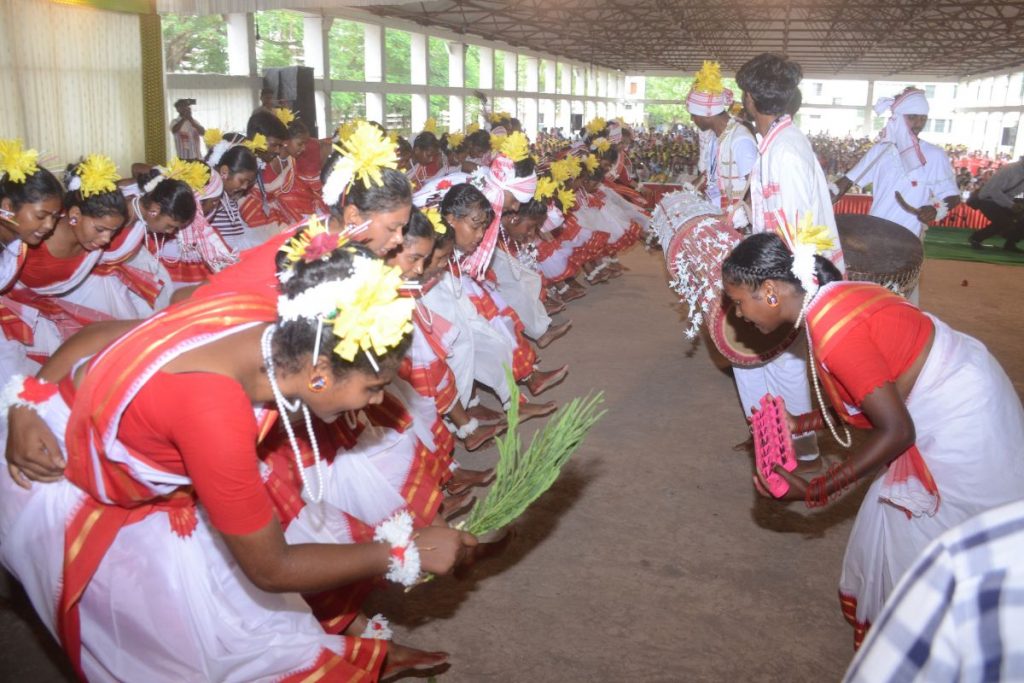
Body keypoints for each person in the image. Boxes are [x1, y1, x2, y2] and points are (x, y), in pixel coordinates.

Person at [1, 243, 477, 681]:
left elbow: (102, 334)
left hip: (131, 474)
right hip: (61, 490)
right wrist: (402, 551)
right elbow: (272, 568)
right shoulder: (213, 415)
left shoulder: (260, 322)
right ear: (318, 374)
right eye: (372, 387)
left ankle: (357, 651)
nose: (375, 401)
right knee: (177, 654)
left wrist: (31, 395)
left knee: (243, 610)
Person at [721, 232, 1024, 649]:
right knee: (893, 517)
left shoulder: (832, 334)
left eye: (739, 302)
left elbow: (897, 431)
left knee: (922, 533)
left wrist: (817, 488)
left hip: (960, 414)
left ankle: (936, 650)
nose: (736, 315)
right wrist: (800, 423)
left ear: (770, 292)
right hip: (959, 382)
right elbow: (872, 398)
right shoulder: (830, 295)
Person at [733, 53, 845, 461]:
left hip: (792, 278)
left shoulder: (787, 152)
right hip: (780, 272)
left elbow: (800, 233)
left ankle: (801, 443)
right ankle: (775, 435)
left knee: (782, 364)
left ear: (749, 97)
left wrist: (780, 292)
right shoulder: (776, 143)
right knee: (756, 362)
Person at [842, 498, 1024, 682]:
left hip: (931, 498)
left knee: (912, 591)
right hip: (984, 487)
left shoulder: (963, 566)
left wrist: (829, 485)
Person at [832, 88, 960, 299]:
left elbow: (952, 196)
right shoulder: (880, 151)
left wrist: (935, 209)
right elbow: (845, 183)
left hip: (907, 239)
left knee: (900, 296)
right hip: (872, 236)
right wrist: (821, 201)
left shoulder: (935, 155)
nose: (918, 123)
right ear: (898, 118)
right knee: (866, 294)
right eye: (912, 117)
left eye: (923, 118)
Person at [0, 140, 63, 381]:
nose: (49, 226)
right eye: (41, 215)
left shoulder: (17, 239)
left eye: (55, 217)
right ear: (7, 207)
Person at [686, 61, 757, 227]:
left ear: (706, 114)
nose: (692, 120)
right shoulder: (714, 138)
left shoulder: (740, 139)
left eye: (693, 115)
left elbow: (756, 186)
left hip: (737, 222)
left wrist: (738, 217)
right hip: (718, 215)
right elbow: (709, 175)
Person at [967, 155, 1024, 252]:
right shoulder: (1009, 169)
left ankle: (1010, 243)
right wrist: (1011, 205)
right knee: (1003, 222)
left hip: (1006, 200)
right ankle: (976, 238)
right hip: (987, 199)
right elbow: (994, 191)